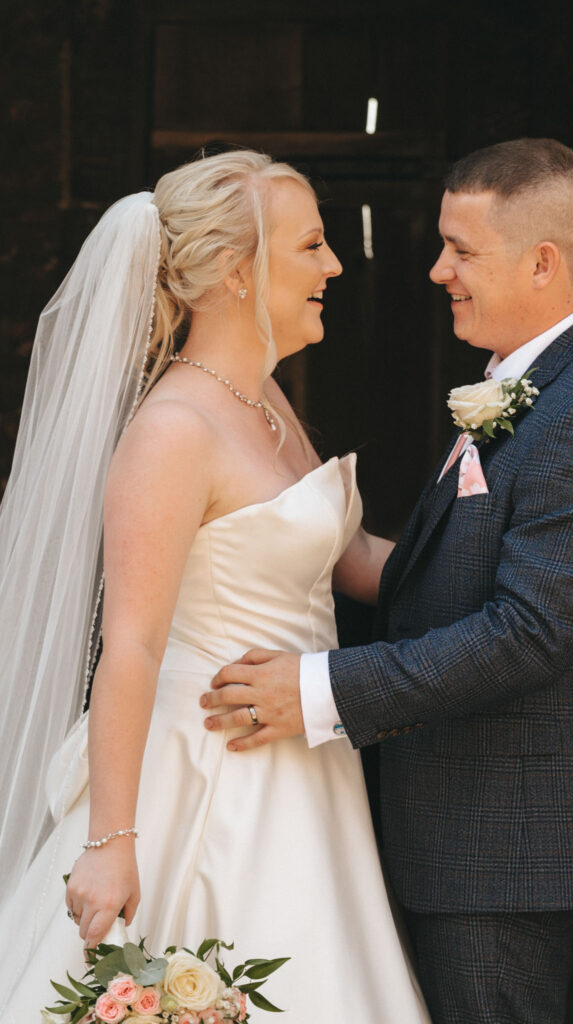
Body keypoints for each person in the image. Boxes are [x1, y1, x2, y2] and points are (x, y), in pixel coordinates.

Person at [200, 138, 573, 1024]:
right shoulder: (533, 381)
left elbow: (525, 635)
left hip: (508, 843)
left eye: (461, 249)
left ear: (541, 262)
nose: (437, 270)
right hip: (463, 828)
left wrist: (317, 687)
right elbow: (440, 576)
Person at [0, 150, 431, 1022]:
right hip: (206, 774)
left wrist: (516, 560)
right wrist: (112, 842)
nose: (335, 266)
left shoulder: (263, 401)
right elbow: (131, 644)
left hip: (305, 767)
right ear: (239, 271)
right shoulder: (173, 430)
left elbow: (353, 563)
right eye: (311, 245)